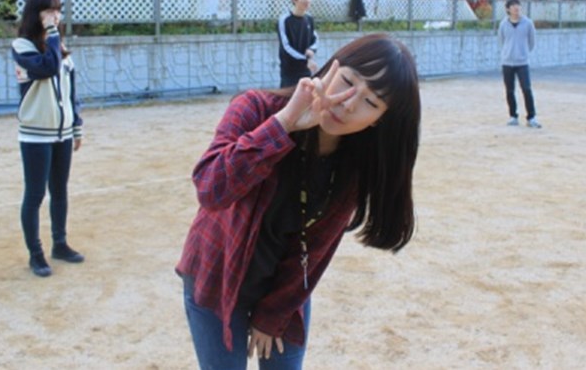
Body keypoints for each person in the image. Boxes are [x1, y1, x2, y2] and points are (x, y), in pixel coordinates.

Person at [176, 33, 421, 369]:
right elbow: (211, 189)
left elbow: (316, 247)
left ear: (379, 119)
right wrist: (284, 124)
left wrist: (273, 314)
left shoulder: (354, 167)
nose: (348, 104)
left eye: (370, 102)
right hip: (215, 276)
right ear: (329, 70)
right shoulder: (255, 107)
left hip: (287, 289)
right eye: (348, 81)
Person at [12, 0, 85, 277]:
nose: (55, 16)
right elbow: (47, 68)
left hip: (62, 133)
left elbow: (71, 91)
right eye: (49, 10)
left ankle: (60, 243)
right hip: (35, 134)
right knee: (35, 194)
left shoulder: (59, 47)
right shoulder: (22, 46)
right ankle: (36, 254)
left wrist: (76, 126)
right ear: (36, 14)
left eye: (58, 10)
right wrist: (53, 33)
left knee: (60, 190)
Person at [498, 0, 541, 128]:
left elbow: (532, 42)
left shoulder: (528, 23)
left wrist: (524, 53)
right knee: (509, 90)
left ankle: (531, 117)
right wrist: (507, 53)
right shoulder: (503, 24)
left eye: (518, 6)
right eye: (513, 6)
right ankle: (513, 116)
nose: (516, 8)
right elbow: (501, 41)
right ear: (508, 9)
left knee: (526, 89)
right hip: (507, 62)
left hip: (522, 62)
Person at [277, 0, 318, 88]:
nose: (307, 0)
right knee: (288, 97)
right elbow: (286, 47)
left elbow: (315, 39)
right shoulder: (284, 20)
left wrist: (311, 50)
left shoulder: (309, 18)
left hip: (306, 70)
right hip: (289, 71)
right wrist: (306, 60)